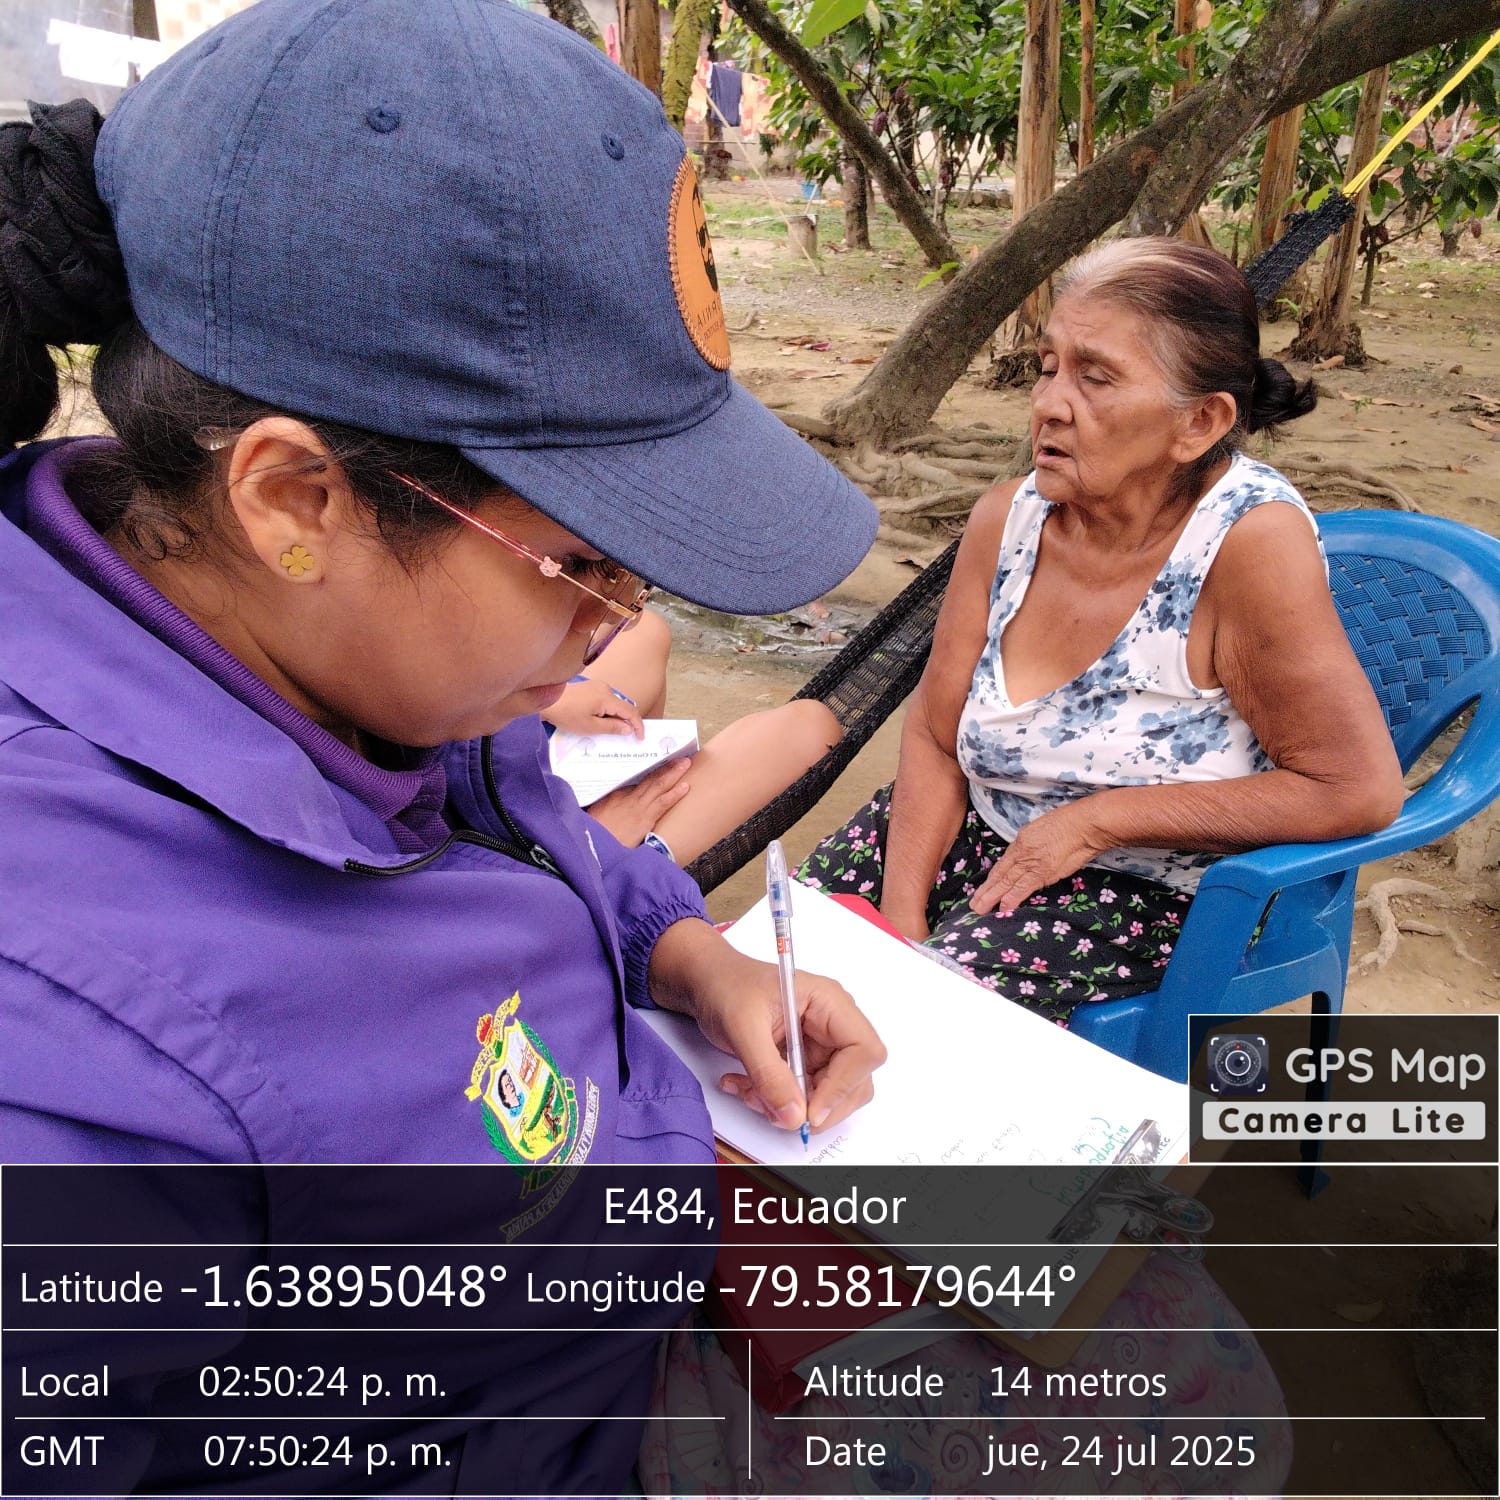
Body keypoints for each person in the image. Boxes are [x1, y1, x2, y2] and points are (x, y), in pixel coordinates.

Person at [0, 1, 885, 1490]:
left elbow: (530, 834)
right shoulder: (69, 1052)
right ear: (295, 500)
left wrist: (685, 955)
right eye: (583, 562)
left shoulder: (336, 655)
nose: (616, 625)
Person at [800, 237, 1406, 1024]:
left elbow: (1355, 790)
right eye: (1049, 366)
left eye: (1096, 377)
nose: (1049, 404)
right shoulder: (1006, 521)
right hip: (972, 828)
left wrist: (1096, 821)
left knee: (909, 1035)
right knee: (778, 974)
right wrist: (901, 922)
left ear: (1200, 422)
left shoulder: (1248, 544)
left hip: (1144, 888)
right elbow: (936, 736)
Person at [541, 606, 843, 865]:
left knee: (642, 630)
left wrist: (545, 704)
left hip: (528, 769)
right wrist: (595, 841)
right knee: (810, 729)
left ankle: (628, 782)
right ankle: (633, 864)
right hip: (561, 858)